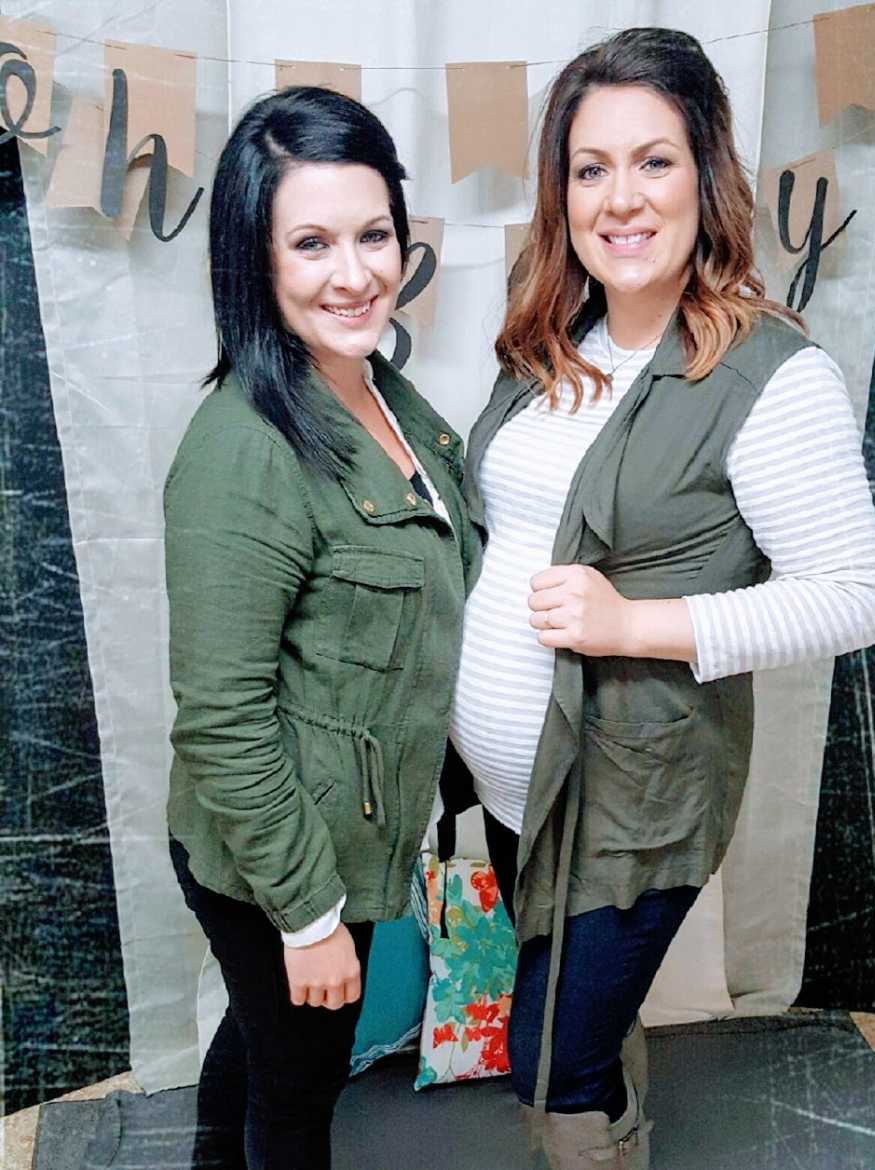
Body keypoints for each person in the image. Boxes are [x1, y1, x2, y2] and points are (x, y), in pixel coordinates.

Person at [448, 27, 875, 1169]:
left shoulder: (770, 375)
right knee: (584, 1035)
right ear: (562, 191)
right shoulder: (551, 341)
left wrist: (632, 624)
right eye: (591, 168)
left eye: (654, 161)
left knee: (552, 1059)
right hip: (519, 791)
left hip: (631, 804)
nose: (621, 198)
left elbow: (852, 599)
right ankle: (617, 1127)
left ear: (707, 174)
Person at [164, 86, 478, 1170]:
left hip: (347, 836)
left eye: (373, 234)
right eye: (311, 243)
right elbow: (221, 718)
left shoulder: (384, 390)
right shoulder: (244, 448)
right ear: (256, 259)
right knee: (298, 1101)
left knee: (263, 1052)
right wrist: (305, 919)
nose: (355, 274)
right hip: (282, 863)